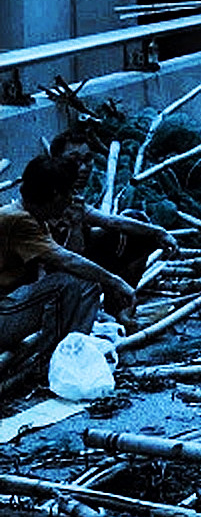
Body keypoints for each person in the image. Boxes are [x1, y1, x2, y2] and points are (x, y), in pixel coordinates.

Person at [0, 163, 138, 401]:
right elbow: (67, 262)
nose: (72, 199)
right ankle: (54, 362)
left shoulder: (34, 218)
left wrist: (75, 225)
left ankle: (62, 358)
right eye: (69, 193)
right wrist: (116, 282)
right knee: (75, 284)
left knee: (80, 283)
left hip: (10, 308)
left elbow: (69, 256)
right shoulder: (17, 220)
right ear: (55, 195)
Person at [18, 147, 178, 289]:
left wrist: (158, 232)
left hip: (67, 264)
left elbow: (111, 221)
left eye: (87, 160)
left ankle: (120, 306)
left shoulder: (66, 202)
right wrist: (114, 281)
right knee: (78, 278)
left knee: (137, 228)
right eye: (74, 160)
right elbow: (68, 262)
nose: (82, 168)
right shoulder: (27, 217)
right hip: (32, 289)